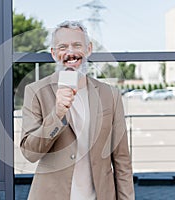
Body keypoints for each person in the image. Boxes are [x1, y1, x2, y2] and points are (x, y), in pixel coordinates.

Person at [20, 20, 135, 200]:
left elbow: (122, 162)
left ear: (88, 49)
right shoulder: (35, 92)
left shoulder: (110, 95)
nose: (70, 53)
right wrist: (57, 114)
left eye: (77, 45)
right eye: (63, 47)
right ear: (53, 53)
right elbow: (30, 153)